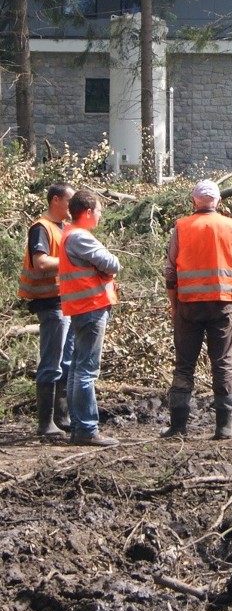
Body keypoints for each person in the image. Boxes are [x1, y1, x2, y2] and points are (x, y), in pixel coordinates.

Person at [161, 179, 232, 440]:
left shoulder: (181, 227)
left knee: (184, 365)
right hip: (222, 305)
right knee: (223, 363)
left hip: (188, 306)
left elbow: (170, 272)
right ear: (219, 202)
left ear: (194, 202)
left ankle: (178, 427)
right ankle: (225, 427)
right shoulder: (231, 226)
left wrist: (174, 305)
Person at [58, 188, 121, 448]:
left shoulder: (69, 235)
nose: (100, 216)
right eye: (98, 211)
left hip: (80, 307)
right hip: (91, 307)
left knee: (76, 369)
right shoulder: (80, 237)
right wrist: (107, 270)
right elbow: (113, 264)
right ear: (86, 212)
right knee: (86, 371)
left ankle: (79, 427)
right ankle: (86, 428)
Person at [19, 183, 76, 439]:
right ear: (56, 200)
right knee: (51, 362)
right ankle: (45, 423)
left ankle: (61, 418)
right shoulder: (41, 228)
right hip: (50, 303)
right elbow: (41, 262)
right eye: (69, 201)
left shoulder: (63, 229)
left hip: (66, 302)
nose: (73, 207)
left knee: (65, 362)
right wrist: (73, 260)